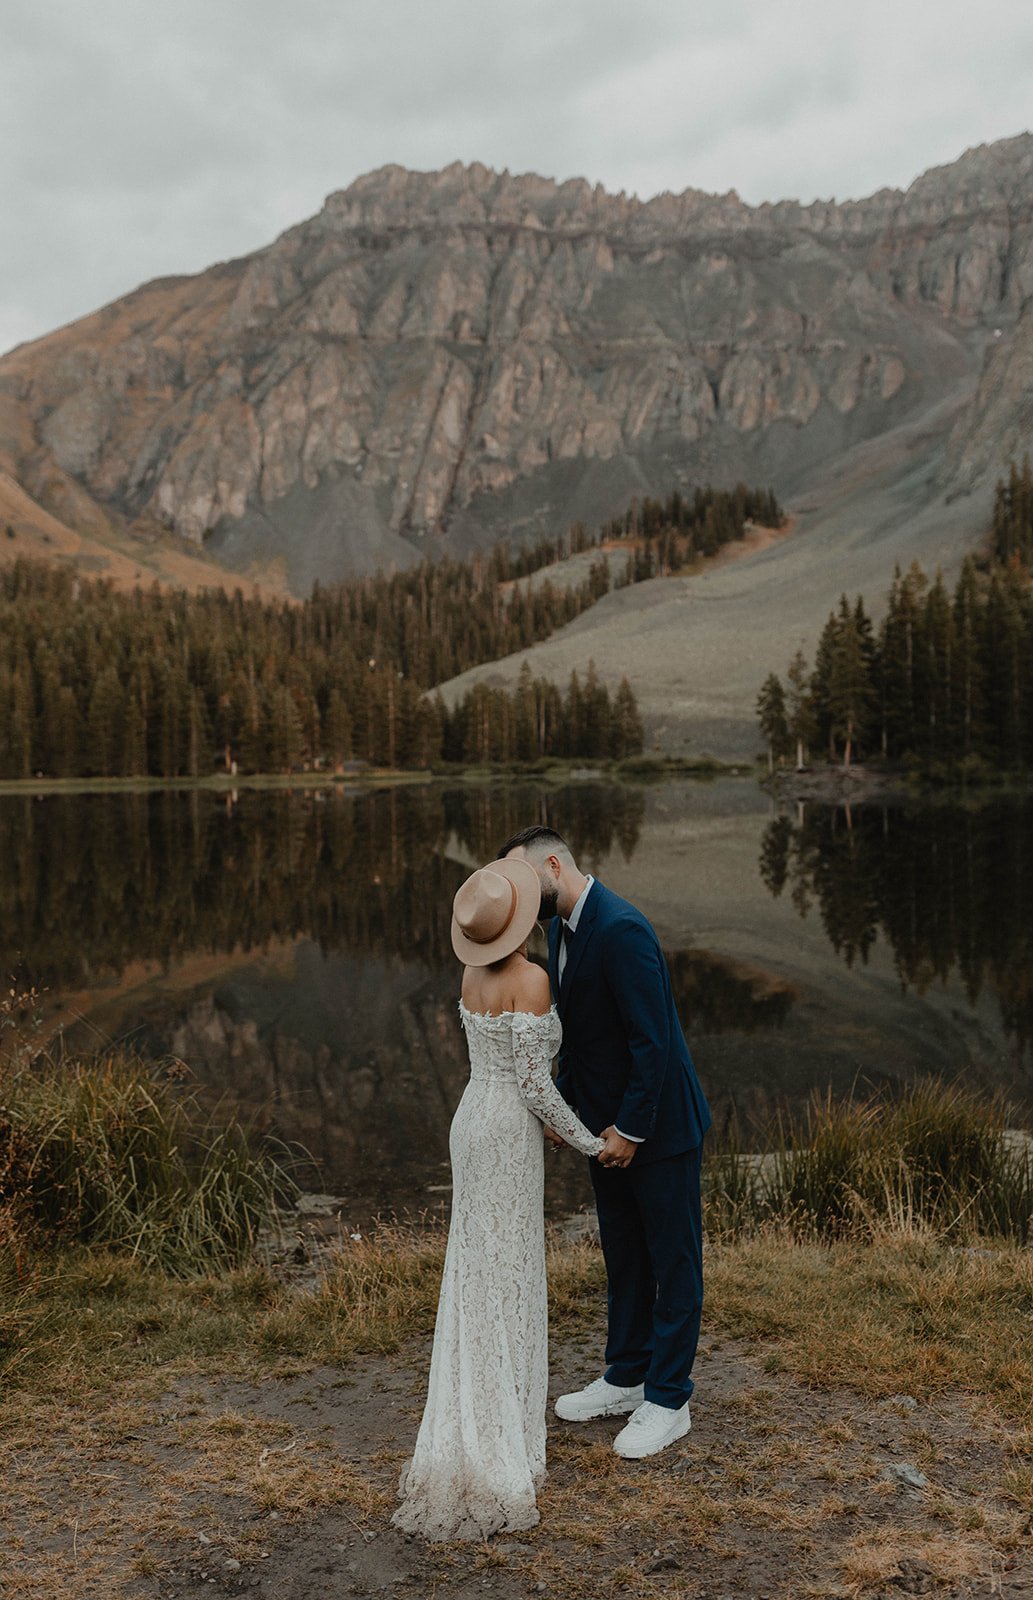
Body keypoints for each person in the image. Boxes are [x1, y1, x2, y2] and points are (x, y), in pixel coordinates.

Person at [392, 857, 605, 1542]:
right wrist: (587, 1140)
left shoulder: (471, 975)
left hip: (470, 1121)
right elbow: (534, 1085)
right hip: (509, 1131)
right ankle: (501, 1433)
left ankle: (476, 1410)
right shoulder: (532, 978)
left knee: (476, 1268)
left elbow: (501, 1066)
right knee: (509, 1268)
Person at [498, 826, 711, 1461]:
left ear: (554, 865)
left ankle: (669, 1399)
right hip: (603, 1130)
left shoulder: (622, 929)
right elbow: (590, 1041)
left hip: (658, 1129)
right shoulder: (561, 930)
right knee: (624, 1254)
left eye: (520, 878)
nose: (513, 894)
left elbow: (654, 1042)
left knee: (673, 1261)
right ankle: (626, 1376)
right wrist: (567, 1116)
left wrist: (631, 1129)